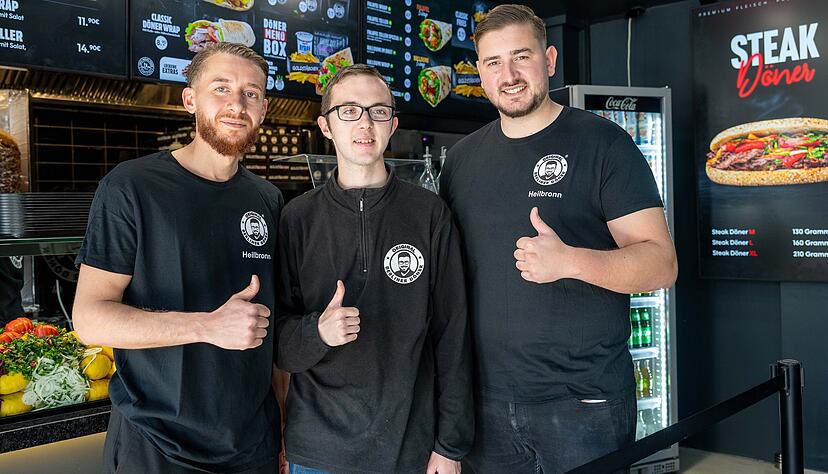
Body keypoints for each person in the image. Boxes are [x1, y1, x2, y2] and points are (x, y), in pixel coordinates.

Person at [440, 5, 678, 474]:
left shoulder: (605, 144)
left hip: (584, 403)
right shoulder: (462, 161)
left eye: (521, 56)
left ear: (549, 61)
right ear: (480, 74)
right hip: (485, 403)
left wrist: (569, 261)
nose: (508, 75)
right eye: (493, 62)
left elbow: (661, 264)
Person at [72, 43, 283, 473]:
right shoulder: (131, 186)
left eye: (251, 93)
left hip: (251, 447)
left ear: (263, 109)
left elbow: (275, 330)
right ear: (190, 100)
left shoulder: (268, 199)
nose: (236, 105)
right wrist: (207, 326)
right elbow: (90, 318)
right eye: (220, 88)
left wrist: (282, 429)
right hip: (156, 446)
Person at [274, 64, 473, 474]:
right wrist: (317, 332)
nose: (365, 123)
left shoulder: (429, 214)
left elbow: (453, 334)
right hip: (318, 454)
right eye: (349, 110)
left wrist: (450, 446)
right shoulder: (296, 218)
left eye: (378, 111)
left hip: (410, 450)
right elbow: (278, 344)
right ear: (326, 126)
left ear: (392, 124)